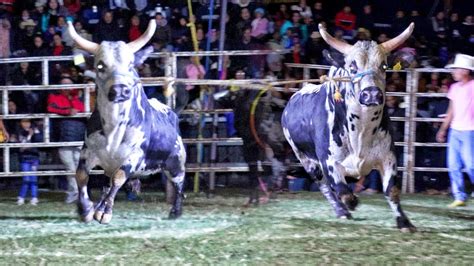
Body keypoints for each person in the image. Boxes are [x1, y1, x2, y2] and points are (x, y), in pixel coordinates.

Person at [436, 54, 474, 208]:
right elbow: (451, 111)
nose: (453, 72)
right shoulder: (454, 88)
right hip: (456, 130)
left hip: (470, 130)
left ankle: (461, 195)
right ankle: (459, 196)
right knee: (453, 165)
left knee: (471, 164)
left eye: (456, 69)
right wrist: (443, 129)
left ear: (465, 71)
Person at [47, 76, 86, 203]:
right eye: (63, 84)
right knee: (70, 169)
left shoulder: (78, 98)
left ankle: (78, 193)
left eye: (69, 84)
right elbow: (51, 108)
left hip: (79, 138)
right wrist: (67, 111)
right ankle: (74, 192)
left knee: (79, 168)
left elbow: (82, 109)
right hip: (63, 139)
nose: (66, 86)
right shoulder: (55, 97)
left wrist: (73, 99)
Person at [16, 118, 43, 205]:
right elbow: (22, 147)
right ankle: (21, 197)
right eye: (24, 121)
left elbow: (40, 141)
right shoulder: (19, 132)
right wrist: (29, 136)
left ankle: (34, 197)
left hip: (34, 158)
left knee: (33, 178)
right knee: (26, 178)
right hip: (24, 159)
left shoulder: (35, 130)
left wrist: (36, 131)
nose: (26, 124)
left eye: (28, 122)